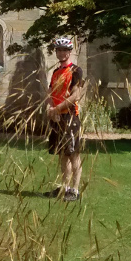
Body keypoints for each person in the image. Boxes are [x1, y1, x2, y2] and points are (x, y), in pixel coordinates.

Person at [44, 37, 85, 202]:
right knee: (62, 153)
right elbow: (50, 92)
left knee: (73, 154)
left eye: (64, 50)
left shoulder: (75, 70)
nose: (61, 53)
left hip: (69, 116)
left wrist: (57, 108)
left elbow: (76, 95)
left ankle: (75, 190)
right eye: (59, 50)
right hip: (56, 117)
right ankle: (65, 187)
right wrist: (49, 108)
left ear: (69, 52)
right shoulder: (55, 72)